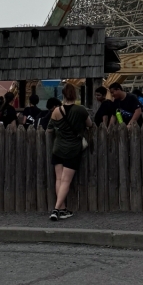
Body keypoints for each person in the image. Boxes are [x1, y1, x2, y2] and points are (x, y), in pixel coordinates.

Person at [48, 82, 92, 221]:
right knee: (66, 181)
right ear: (75, 94)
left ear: (63, 94)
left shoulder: (56, 111)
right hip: (72, 148)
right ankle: (56, 209)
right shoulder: (81, 110)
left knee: (59, 179)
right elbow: (89, 125)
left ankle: (62, 209)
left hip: (58, 147)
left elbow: (50, 127)